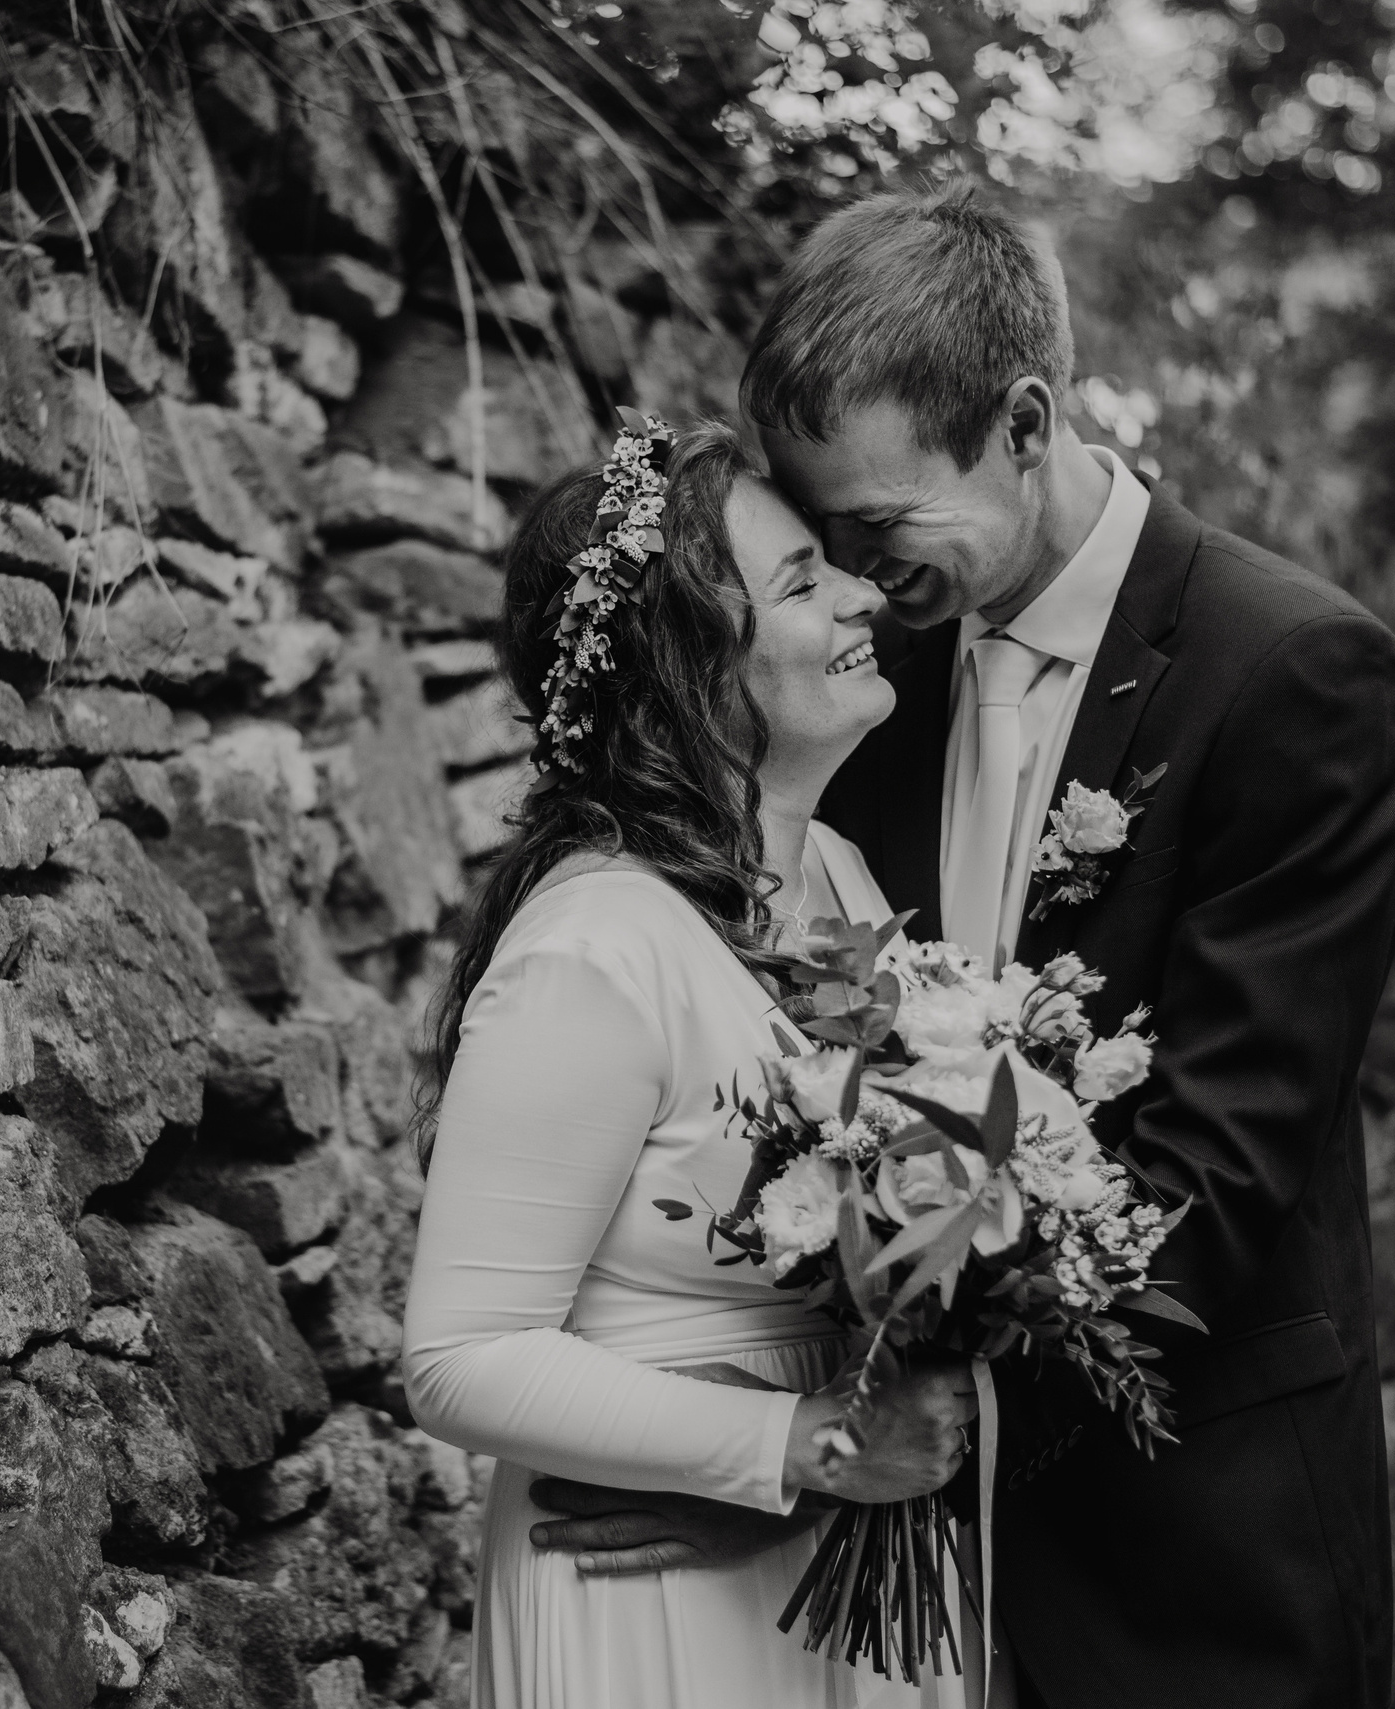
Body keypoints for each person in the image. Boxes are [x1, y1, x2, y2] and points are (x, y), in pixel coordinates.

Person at [529, 189, 1395, 1709]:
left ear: (1023, 422)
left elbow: (1219, 1169)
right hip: (893, 1610)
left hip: (1191, 1550)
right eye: (825, 543)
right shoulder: (873, 689)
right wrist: (773, 1452)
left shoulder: (1290, 674)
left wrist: (852, 1453)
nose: (859, 583)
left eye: (877, 527)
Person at [401, 420, 974, 1709]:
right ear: (683, 667)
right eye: (800, 582)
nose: (864, 593)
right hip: (657, 1596)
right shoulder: (597, 944)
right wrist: (804, 1445)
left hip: (832, 1552)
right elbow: (462, 1353)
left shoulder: (832, 877)